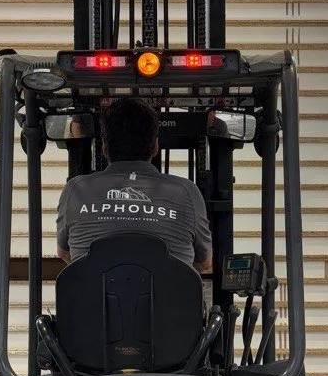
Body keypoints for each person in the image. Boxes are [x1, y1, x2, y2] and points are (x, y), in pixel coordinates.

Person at [56, 97, 212, 273]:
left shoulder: (76, 189)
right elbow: (204, 262)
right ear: (155, 147)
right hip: (167, 300)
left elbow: (64, 252)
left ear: (105, 148)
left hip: (93, 300)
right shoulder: (187, 191)